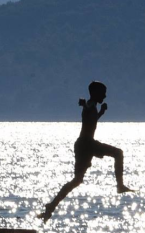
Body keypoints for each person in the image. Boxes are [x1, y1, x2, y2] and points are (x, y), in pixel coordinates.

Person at [40, 80, 132, 221]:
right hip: (86, 144)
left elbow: (91, 119)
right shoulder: (90, 105)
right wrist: (86, 105)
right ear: (95, 93)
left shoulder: (93, 107)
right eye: (103, 93)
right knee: (118, 153)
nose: (105, 96)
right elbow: (88, 108)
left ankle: (51, 206)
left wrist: (101, 112)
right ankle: (120, 186)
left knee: (77, 180)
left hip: (85, 145)